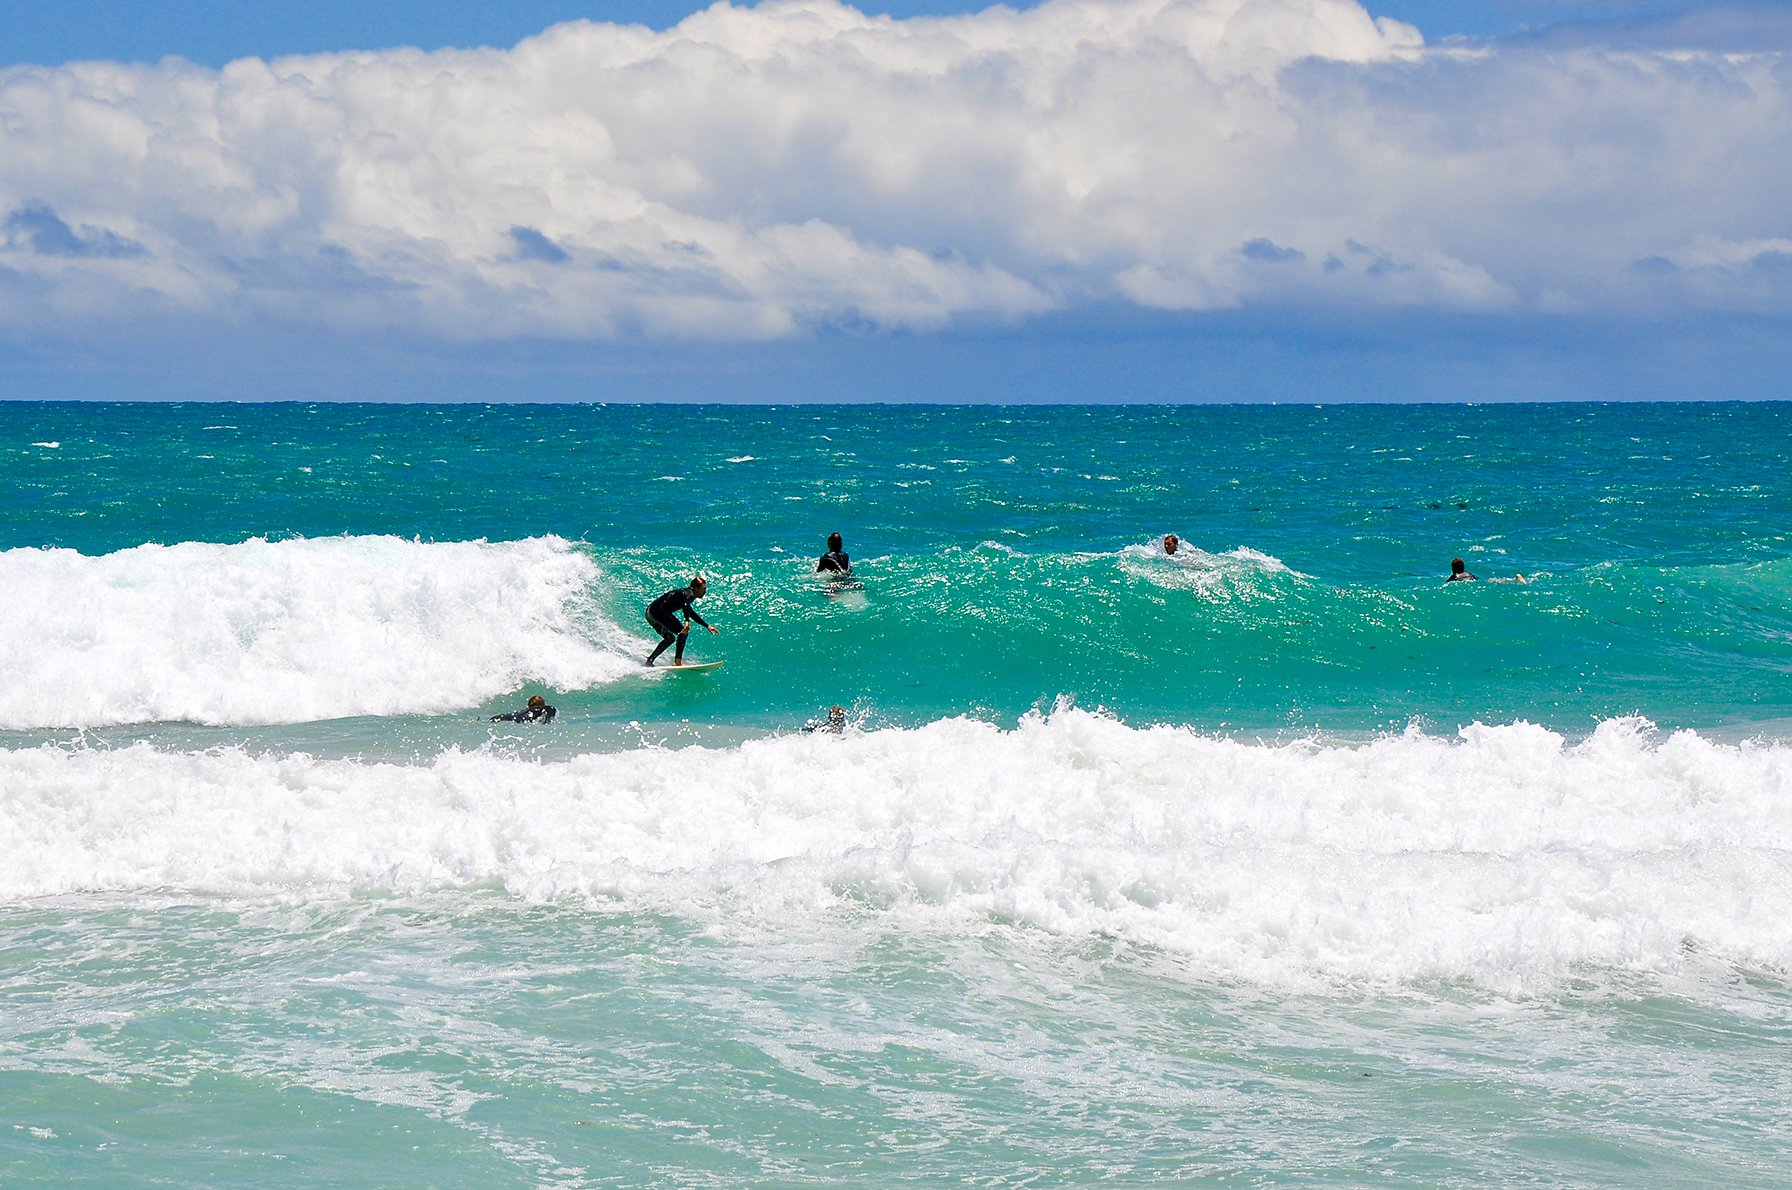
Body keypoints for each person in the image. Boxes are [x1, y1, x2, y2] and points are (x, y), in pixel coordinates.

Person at [645, 575, 718, 666]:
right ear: (695, 588)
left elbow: (690, 612)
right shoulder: (689, 594)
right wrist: (686, 621)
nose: (705, 591)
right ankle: (678, 661)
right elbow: (686, 605)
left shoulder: (685, 594)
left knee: (670, 638)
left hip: (650, 613)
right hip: (658, 612)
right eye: (703, 589)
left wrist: (706, 625)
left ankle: (649, 661)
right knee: (682, 632)